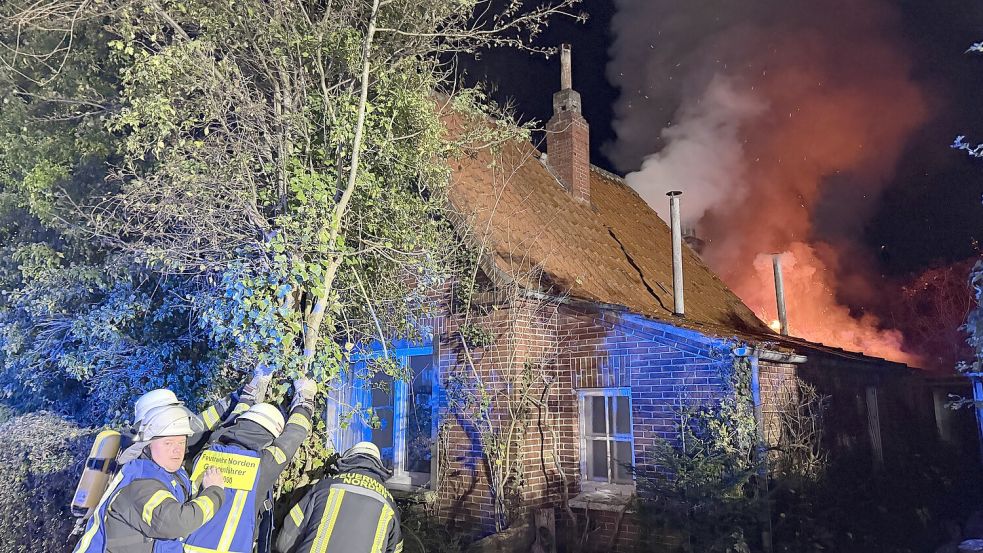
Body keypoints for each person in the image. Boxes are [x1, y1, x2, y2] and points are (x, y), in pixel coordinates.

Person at [183, 378, 317, 553]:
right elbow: (295, 433)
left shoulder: (206, 453)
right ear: (271, 436)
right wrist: (305, 399)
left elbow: (232, 423)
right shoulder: (264, 465)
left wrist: (249, 393)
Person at [73, 402, 227, 552]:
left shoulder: (165, 471)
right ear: (147, 445)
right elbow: (178, 522)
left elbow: (201, 430)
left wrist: (237, 399)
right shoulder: (140, 484)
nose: (177, 450)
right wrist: (214, 491)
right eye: (168, 443)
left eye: (181, 443)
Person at [273, 441, 404, 553]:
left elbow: (284, 542)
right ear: (378, 466)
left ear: (347, 460)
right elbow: (395, 549)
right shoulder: (389, 503)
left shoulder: (324, 487)